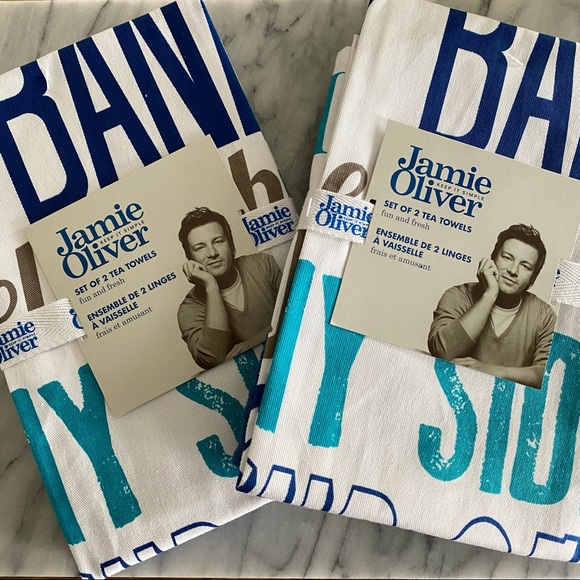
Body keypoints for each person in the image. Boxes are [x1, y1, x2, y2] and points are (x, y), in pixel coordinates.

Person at [428, 224, 556, 389]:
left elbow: (549, 374)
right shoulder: (457, 296)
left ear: (533, 279)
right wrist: (490, 294)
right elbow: (442, 352)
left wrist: (491, 371)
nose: (513, 270)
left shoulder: (544, 315)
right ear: (493, 259)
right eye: (507, 257)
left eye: (525, 266)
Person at [177, 207, 281, 370]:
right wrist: (211, 286)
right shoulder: (189, 309)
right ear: (190, 258)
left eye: (218, 241)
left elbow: (304, 310)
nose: (212, 253)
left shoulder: (264, 265)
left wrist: (252, 344)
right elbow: (213, 359)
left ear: (231, 245)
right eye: (200, 247)